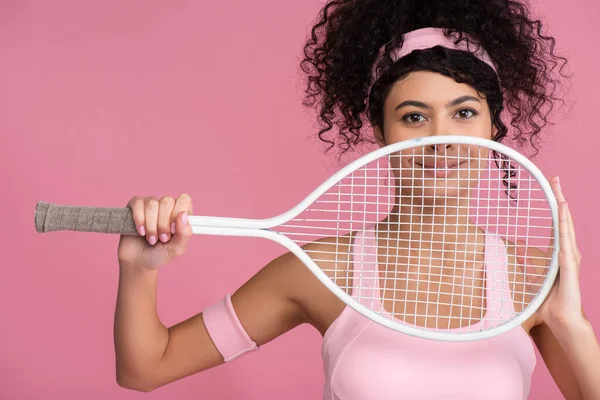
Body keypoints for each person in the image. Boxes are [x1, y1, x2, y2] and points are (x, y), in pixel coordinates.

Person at [113, 0, 600, 399]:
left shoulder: (535, 279)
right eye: (414, 117)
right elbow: (147, 368)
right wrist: (140, 268)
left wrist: (569, 324)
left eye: (464, 112)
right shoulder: (319, 270)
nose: (441, 138)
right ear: (380, 133)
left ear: (493, 127)